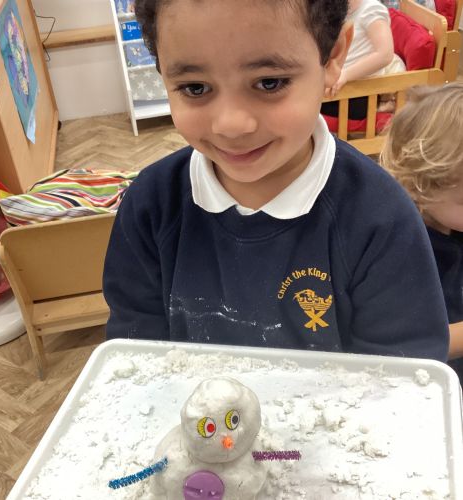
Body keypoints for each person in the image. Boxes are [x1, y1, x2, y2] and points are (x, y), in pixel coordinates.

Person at [103, 0, 448, 362]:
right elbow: (135, 356)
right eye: (195, 88)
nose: (231, 125)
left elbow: (404, 375)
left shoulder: (381, 219)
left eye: (269, 83)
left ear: (332, 57)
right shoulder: (150, 207)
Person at [380, 83, 463, 380]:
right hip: (434, 384)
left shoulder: (452, 221)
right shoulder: (402, 249)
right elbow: (409, 346)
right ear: (418, 186)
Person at [322, 0, 405, 118]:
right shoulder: (339, 11)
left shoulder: (371, 10)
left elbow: (385, 54)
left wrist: (345, 75)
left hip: (359, 93)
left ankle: (380, 107)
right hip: (340, 87)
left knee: (309, 99)